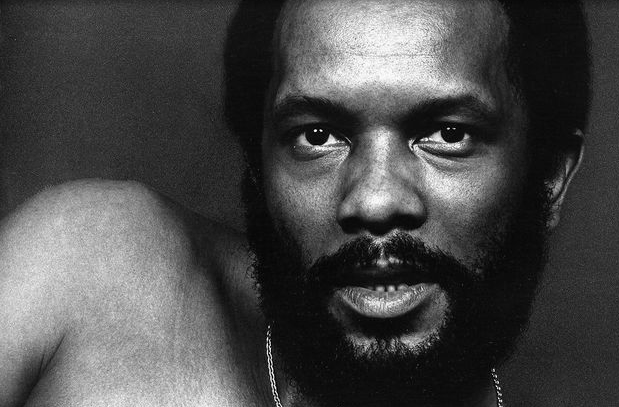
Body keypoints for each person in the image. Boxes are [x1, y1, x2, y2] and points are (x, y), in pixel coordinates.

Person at [0, 0, 590, 406]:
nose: (375, 200)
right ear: (259, 165)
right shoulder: (86, 268)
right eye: (318, 135)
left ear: (549, 178)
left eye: (448, 134)